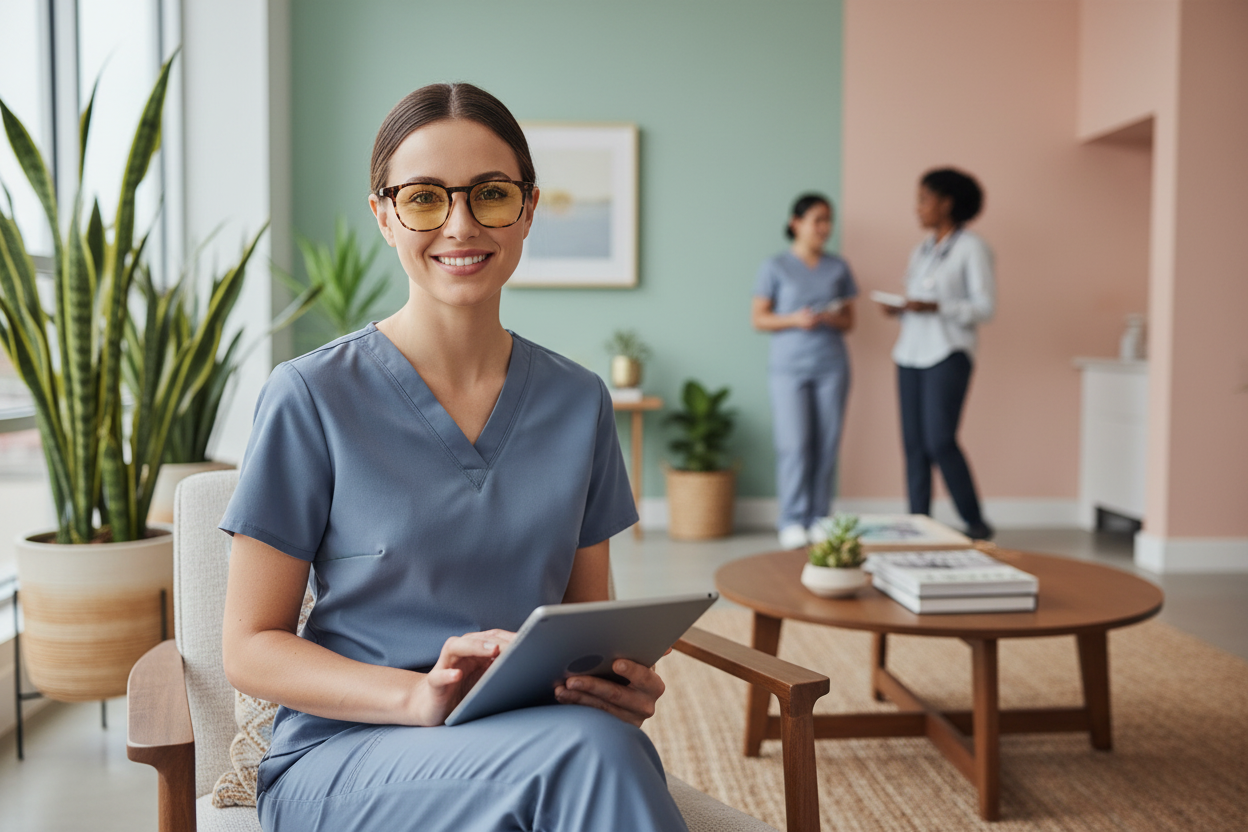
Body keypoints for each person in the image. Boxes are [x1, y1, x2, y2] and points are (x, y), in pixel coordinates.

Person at [219, 83, 688, 832]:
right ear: (384, 215)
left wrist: (613, 685)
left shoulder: (579, 401)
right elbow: (250, 650)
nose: (461, 225)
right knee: (595, 761)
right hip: (347, 754)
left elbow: (585, 623)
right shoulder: (309, 396)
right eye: (426, 199)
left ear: (528, 208)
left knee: (601, 747)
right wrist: (418, 698)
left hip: (531, 737)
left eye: (491, 195)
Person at [876, 167, 995, 540]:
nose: (917, 208)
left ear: (947, 203)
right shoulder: (922, 251)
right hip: (910, 354)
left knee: (939, 439)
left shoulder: (972, 248)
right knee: (913, 445)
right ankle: (917, 522)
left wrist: (937, 307)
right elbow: (917, 296)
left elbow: (985, 308)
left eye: (924, 199)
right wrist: (900, 308)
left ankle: (975, 522)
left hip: (948, 353)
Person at [751, 193, 858, 550]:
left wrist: (829, 317)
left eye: (829, 220)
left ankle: (819, 518)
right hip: (788, 369)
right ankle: (792, 519)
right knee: (794, 445)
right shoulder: (775, 267)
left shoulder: (838, 268)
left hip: (831, 366)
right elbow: (759, 318)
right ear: (796, 223)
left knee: (826, 445)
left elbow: (849, 320)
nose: (825, 228)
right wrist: (794, 319)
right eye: (817, 220)